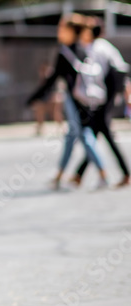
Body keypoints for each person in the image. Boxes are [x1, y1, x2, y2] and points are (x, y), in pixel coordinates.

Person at [25, 14, 109, 189]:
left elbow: (52, 80)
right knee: (72, 136)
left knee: (84, 135)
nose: (59, 31)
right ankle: (59, 176)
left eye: (62, 28)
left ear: (71, 31)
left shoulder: (65, 52)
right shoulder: (84, 49)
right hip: (87, 100)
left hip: (74, 100)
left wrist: (34, 98)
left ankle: (103, 173)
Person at [72, 18, 130, 187]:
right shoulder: (106, 46)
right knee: (98, 130)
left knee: (101, 130)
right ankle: (79, 174)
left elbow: (96, 75)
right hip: (110, 92)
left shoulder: (95, 48)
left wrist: (92, 97)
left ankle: (124, 173)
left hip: (106, 94)